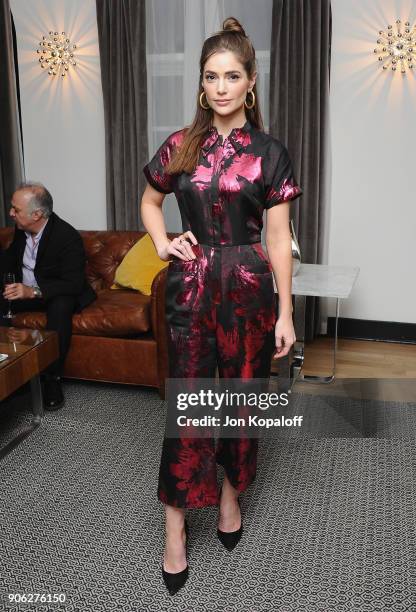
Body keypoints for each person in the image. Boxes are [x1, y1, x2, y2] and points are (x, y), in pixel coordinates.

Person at [141, 17, 302, 595]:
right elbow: (150, 200)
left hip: (250, 289)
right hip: (189, 288)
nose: (222, 86)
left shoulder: (270, 153)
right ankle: (175, 529)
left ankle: (232, 496)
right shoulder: (179, 145)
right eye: (211, 76)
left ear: (251, 81)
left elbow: (279, 239)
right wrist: (162, 242)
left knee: (239, 399)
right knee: (188, 405)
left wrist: (285, 311)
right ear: (202, 84)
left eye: (232, 75)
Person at [0, 182, 96, 409]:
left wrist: (32, 291)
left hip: (57, 293)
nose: (11, 213)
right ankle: (9, 373)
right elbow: (11, 259)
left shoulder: (67, 236)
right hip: (25, 291)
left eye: (16, 209)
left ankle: (52, 379)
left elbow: (73, 284)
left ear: (37, 214)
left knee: (61, 307)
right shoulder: (22, 230)